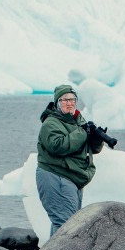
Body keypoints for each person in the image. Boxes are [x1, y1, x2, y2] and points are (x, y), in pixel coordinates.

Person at [36, 83, 105, 233]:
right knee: (64, 224)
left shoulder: (78, 120)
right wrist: (83, 133)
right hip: (56, 175)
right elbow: (57, 146)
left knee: (65, 222)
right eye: (65, 100)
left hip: (73, 177)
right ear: (57, 103)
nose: (70, 103)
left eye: (73, 99)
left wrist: (96, 139)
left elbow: (89, 148)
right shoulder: (50, 123)